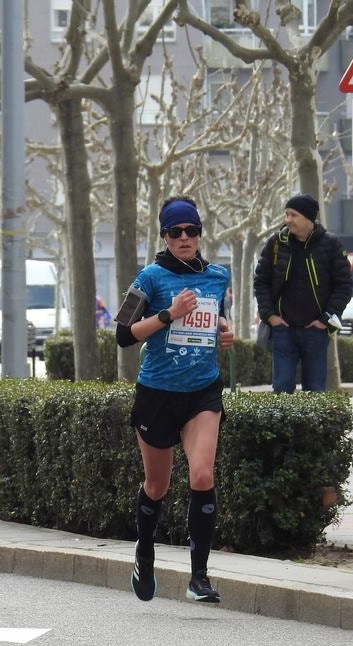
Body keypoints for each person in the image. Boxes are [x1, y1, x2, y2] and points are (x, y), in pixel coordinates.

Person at [115, 197, 234, 605]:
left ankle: (198, 576)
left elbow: (217, 317)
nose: (184, 238)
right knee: (157, 485)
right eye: (175, 232)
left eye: (191, 231)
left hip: (202, 391)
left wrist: (224, 330)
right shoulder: (148, 278)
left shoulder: (218, 276)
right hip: (157, 393)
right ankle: (144, 553)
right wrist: (168, 314)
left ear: (200, 234)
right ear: (164, 237)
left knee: (202, 475)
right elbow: (123, 335)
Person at [253, 194, 353, 393]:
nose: (287, 220)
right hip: (282, 330)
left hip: (316, 331)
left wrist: (325, 320)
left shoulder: (331, 245)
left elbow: (344, 286)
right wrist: (270, 316)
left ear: (309, 218)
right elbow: (261, 281)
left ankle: (312, 426)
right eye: (286, 214)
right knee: (281, 389)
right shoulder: (275, 243)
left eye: (293, 215)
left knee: (315, 391)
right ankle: (283, 426)